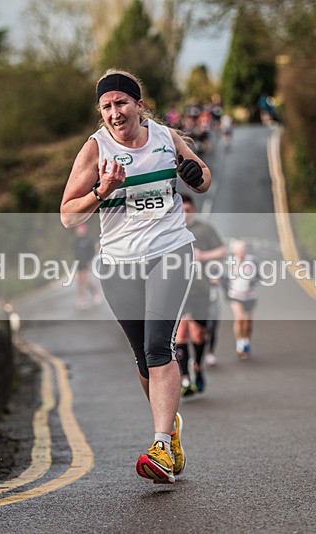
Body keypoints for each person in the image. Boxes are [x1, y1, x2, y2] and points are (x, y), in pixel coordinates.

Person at [60, 69, 211, 484]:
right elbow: (67, 215)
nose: (115, 112)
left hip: (170, 252)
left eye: (122, 103)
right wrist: (101, 190)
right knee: (144, 357)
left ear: (139, 105)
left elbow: (201, 174)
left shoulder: (165, 137)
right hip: (119, 264)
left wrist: (196, 175)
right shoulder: (95, 149)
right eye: (106, 106)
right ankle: (172, 429)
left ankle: (161, 443)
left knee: (159, 346)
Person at [175, 194, 225, 395]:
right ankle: (185, 378)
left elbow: (222, 251)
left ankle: (198, 367)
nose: (185, 215)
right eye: (181, 211)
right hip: (178, 291)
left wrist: (203, 256)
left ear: (193, 210)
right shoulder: (173, 232)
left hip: (200, 290)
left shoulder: (205, 230)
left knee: (198, 334)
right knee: (181, 333)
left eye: (188, 211)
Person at [224, 240, 260, 359]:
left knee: (247, 322)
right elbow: (224, 277)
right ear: (234, 251)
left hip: (249, 295)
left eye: (243, 250)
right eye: (239, 250)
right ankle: (240, 345)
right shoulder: (229, 262)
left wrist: (251, 281)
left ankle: (246, 342)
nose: (241, 253)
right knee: (239, 318)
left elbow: (259, 276)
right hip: (235, 295)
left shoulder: (252, 261)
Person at [72, 222, 100, 310]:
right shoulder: (76, 240)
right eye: (79, 230)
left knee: (87, 282)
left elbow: (92, 251)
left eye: (81, 229)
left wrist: (89, 261)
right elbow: (75, 253)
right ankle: (81, 300)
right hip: (78, 264)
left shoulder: (89, 239)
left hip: (86, 263)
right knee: (78, 282)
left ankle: (95, 293)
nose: (80, 231)